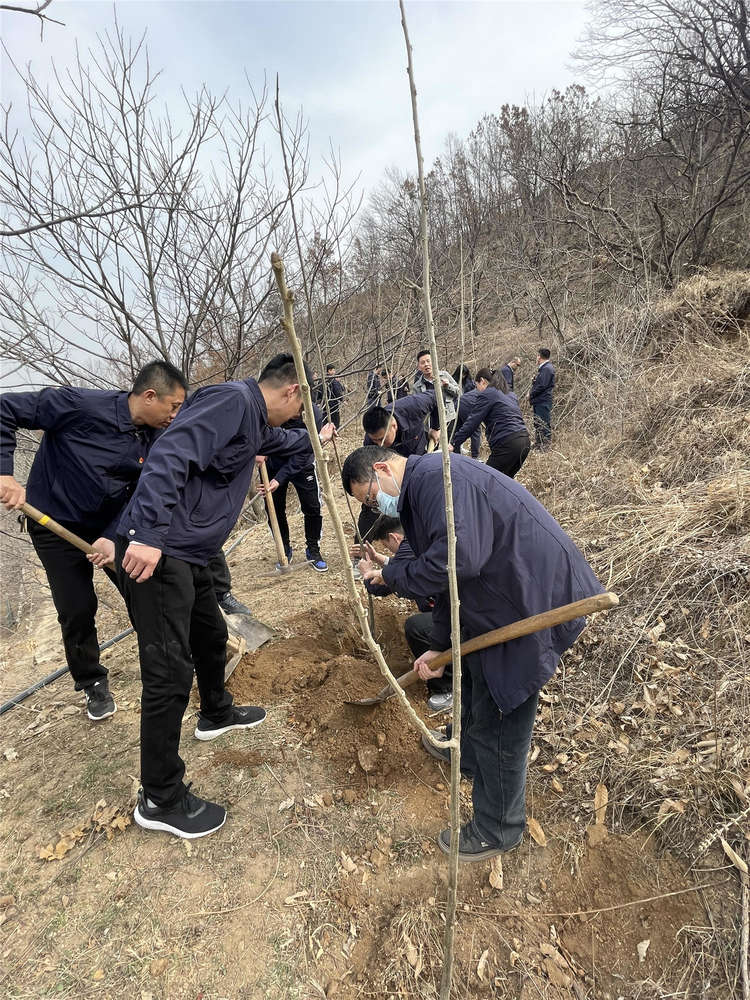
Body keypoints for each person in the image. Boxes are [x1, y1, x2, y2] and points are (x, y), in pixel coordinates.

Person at [341, 445, 603, 862]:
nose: (377, 507)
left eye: (371, 498)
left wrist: (393, 574)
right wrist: (439, 644)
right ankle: (465, 752)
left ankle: (498, 828)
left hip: (529, 598)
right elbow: (448, 582)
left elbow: (457, 561)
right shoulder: (421, 491)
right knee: (478, 680)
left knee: (503, 707)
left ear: (382, 468)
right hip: (499, 598)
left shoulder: (434, 480)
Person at [116, 354, 313, 839]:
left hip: (193, 552)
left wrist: (313, 437)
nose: (298, 416)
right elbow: (171, 452)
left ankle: (216, 711)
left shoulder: (255, 420)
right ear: (291, 391)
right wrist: (147, 533)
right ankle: (160, 797)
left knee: (209, 635)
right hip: (161, 551)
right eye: (301, 407)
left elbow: (287, 441)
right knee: (168, 671)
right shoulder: (231, 401)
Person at [0, 361, 188, 720]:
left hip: (111, 524)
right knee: (77, 607)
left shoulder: (156, 438)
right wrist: (4, 474)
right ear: (150, 396)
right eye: (173, 406)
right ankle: (91, 681)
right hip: (54, 523)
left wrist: (110, 536)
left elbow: (143, 491)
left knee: (143, 587)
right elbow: (4, 409)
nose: (175, 415)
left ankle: (163, 660)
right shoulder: (78, 406)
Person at [354, 515, 453, 712]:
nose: (389, 551)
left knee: (416, 627)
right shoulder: (418, 541)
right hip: (450, 608)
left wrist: (367, 573)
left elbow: (381, 586)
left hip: (454, 616)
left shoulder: (407, 550)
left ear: (394, 537)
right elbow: (400, 567)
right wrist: (379, 559)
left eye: (386, 545)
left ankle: (446, 688)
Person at [256, 398, 335, 573]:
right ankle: (284, 548)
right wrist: (259, 449)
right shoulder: (273, 408)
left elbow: (305, 451)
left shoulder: (313, 413)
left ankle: (313, 549)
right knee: (274, 508)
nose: (295, 414)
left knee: (312, 506)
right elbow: (260, 432)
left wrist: (279, 479)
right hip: (273, 463)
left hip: (302, 464)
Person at [358, 392, 438, 541]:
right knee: (371, 504)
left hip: (416, 459)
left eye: (381, 439)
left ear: (393, 426)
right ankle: (362, 545)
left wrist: (436, 427)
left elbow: (436, 398)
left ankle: (416, 538)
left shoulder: (413, 406)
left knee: (415, 499)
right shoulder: (370, 443)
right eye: (375, 441)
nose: (379, 445)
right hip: (389, 467)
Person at [450, 367, 530, 478]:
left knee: (485, 480)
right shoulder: (510, 394)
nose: (477, 390)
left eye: (477, 386)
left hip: (507, 443)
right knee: (504, 481)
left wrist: (454, 443)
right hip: (525, 442)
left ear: (482, 381)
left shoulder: (488, 393)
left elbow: (472, 422)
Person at [412, 350, 460, 433]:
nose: (426, 364)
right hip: (430, 424)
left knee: (450, 441)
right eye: (423, 362)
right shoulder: (417, 386)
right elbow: (417, 408)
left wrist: (448, 386)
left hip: (448, 419)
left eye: (428, 361)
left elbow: (458, 392)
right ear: (419, 367)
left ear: (434, 362)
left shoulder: (444, 375)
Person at [451, 365, 481, 459]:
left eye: (465, 374)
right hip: (457, 407)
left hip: (467, 406)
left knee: (464, 429)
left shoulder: (470, 383)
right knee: (474, 430)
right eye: (461, 374)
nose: (463, 376)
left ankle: (457, 449)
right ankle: (473, 456)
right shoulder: (453, 381)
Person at [528, 348, 555, 449]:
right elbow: (541, 383)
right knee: (538, 422)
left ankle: (545, 445)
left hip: (543, 401)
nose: (536, 358)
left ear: (539, 357)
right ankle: (538, 443)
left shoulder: (547, 368)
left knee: (543, 423)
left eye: (537, 355)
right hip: (539, 401)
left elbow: (542, 386)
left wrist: (530, 394)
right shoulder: (544, 368)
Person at [324, 364, 346, 429]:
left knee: (325, 421)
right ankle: (335, 431)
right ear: (329, 371)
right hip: (333, 404)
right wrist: (342, 400)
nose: (334, 372)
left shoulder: (322, 379)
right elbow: (337, 392)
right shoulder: (333, 380)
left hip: (324, 405)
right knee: (335, 420)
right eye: (333, 370)